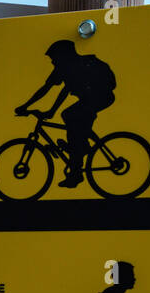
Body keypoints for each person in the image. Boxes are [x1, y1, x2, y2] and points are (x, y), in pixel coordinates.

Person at [14, 39, 116, 188]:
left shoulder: (74, 66)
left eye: (54, 58)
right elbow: (47, 88)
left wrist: (44, 110)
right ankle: (80, 147)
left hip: (101, 96)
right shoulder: (66, 67)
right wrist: (29, 106)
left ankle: (76, 172)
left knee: (71, 118)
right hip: (91, 98)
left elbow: (64, 90)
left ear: (63, 56)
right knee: (71, 119)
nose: (53, 62)